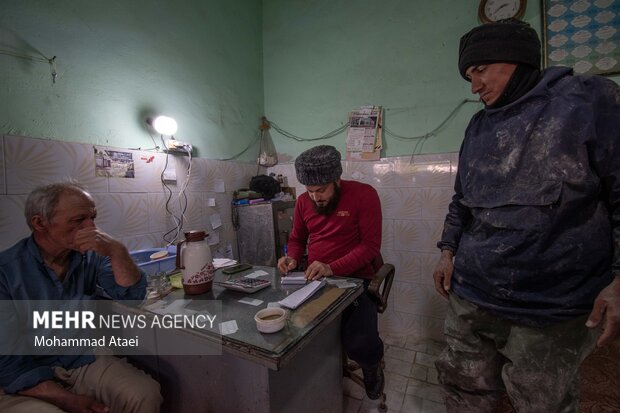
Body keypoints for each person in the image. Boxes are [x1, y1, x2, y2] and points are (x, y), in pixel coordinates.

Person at [433, 19, 620, 412]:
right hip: (473, 293)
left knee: (542, 402)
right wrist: (448, 249)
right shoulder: (479, 126)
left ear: (517, 60)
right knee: (463, 386)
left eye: (480, 70)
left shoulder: (588, 101)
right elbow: (462, 200)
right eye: (469, 75)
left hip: (551, 305)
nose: (474, 86)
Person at [0, 182, 162, 413]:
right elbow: (8, 362)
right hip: (25, 376)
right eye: (78, 220)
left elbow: (132, 295)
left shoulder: (90, 256)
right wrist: (65, 398)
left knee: (143, 393)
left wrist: (117, 250)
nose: (91, 228)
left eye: (92, 218)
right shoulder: (6, 271)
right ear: (39, 223)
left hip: (80, 358)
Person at [276, 145, 385, 399]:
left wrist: (332, 267)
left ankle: (372, 365)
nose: (315, 197)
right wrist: (292, 257)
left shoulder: (364, 195)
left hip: (356, 279)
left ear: (337, 179)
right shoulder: (304, 203)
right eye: (310, 190)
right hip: (316, 280)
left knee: (359, 341)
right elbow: (297, 239)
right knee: (295, 330)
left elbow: (370, 247)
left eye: (321, 190)